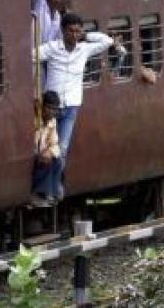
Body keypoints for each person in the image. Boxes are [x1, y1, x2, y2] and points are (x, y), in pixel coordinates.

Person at [35, 12, 125, 190]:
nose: (74, 35)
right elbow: (32, 56)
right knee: (45, 149)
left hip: (71, 107)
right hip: (50, 108)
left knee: (62, 148)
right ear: (62, 30)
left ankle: (54, 188)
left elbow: (106, 41)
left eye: (78, 32)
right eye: (71, 31)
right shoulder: (52, 48)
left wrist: (86, 35)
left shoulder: (84, 49)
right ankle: (45, 188)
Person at [32, 91, 63, 206]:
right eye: (49, 108)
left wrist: (50, 151)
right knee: (45, 162)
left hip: (43, 153)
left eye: (55, 109)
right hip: (33, 155)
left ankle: (52, 194)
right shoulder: (34, 120)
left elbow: (55, 143)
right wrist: (40, 154)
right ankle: (38, 194)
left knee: (57, 161)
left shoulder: (52, 121)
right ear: (43, 106)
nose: (52, 112)